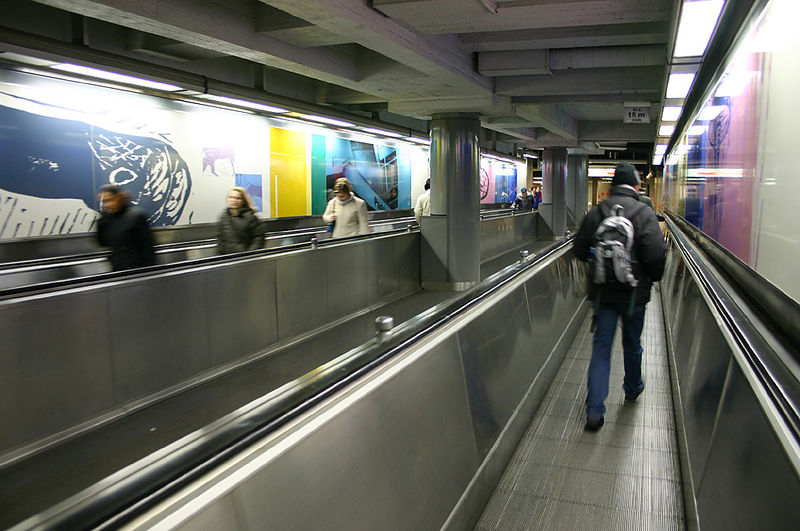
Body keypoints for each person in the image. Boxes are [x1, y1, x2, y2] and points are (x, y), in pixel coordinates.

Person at [573, 161, 666, 431]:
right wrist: (652, 277)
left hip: (603, 295)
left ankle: (594, 411)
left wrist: (597, 262)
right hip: (635, 294)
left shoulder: (598, 211)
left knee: (601, 350)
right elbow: (656, 254)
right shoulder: (644, 212)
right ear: (636, 186)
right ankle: (633, 387)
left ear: (614, 184)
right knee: (632, 344)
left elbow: (579, 250)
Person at [96, 184, 156, 271]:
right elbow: (103, 243)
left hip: (136, 271)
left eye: (110, 200)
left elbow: (148, 249)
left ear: (119, 197)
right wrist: (101, 222)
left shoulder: (137, 216)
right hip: (118, 270)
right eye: (104, 201)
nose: (106, 205)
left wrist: (149, 273)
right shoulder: (108, 219)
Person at [216, 186, 263, 254]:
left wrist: (249, 254)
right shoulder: (223, 216)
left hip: (243, 258)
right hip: (226, 258)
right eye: (231, 197)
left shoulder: (251, 217)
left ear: (243, 201)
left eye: (238, 198)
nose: (233, 200)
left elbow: (259, 238)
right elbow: (220, 239)